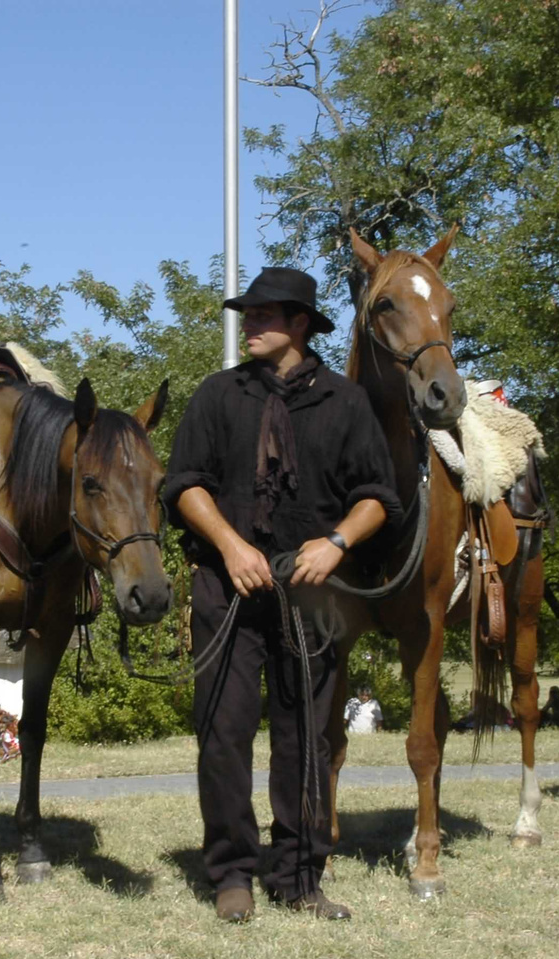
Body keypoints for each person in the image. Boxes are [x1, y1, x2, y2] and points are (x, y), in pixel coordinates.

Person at [162, 267, 401, 922]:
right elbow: (183, 484)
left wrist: (336, 545)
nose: (250, 324)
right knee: (224, 735)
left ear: (300, 324)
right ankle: (233, 872)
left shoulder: (345, 403)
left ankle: (299, 877)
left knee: (305, 742)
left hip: (311, 600)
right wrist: (232, 546)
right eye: (249, 313)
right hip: (228, 590)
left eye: (265, 315)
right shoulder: (217, 395)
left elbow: (379, 497)